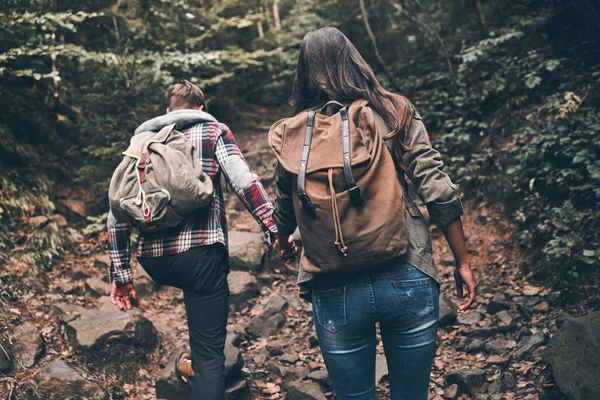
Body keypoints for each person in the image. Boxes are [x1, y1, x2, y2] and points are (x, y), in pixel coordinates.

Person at [271, 27, 478, 400]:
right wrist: (462, 260)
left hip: (333, 282)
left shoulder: (294, 132)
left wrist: (284, 237)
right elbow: (437, 189)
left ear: (304, 72)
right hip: (407, 269)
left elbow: (285, 206)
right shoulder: (392, 110)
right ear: (354, 59)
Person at [107, 80, 278, 400]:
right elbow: (243, 182)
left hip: (154, 261)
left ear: (168, 111)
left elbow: (116, 211)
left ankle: (191, 361)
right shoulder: (213, 131)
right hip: (201, 256)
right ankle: (201, 362)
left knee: (193, 293)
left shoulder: (142, 142)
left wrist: (121, 275)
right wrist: (273, 228)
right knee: (210, 355)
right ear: (201, 109)